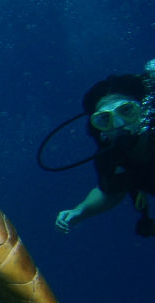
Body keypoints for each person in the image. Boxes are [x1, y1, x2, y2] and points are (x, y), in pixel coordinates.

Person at [55, 61, 155, 236]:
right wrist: (81, 211)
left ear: (144, 109)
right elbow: (109, 192)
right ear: (100, 131)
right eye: (104, 119)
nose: (118, 123)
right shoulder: (111, 157)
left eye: (126, 110)